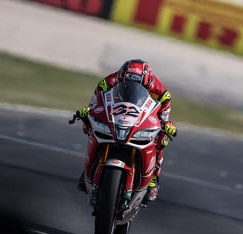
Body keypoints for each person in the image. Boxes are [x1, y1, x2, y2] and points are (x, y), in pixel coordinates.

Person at [74, 59, 178, 203]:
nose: (131, 88)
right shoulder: (107, 82)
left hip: (142, 115)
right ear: (121, 78)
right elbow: (95, 103)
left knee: (162, 138)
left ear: (147, 83)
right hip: (118, 112)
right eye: (127, 84)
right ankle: (89, 169)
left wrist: (165, 124)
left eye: (137, 85)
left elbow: (164, 115)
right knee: (91, 125)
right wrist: (89, 112)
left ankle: (153, 179)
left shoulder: (161, 92)